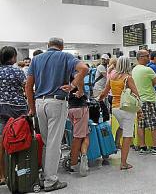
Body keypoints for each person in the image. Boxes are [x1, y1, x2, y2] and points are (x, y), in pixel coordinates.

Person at [25, 37, 88, 192]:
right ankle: (50, 181)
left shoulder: (36, 59)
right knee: (53, 143)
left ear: (48, 46)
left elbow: (28, 86)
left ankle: (45, 175)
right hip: (57, 102)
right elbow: (84, 68)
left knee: (47, 142)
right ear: (62, 46)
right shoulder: (65, 56)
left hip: (40, 103)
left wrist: (32, 108)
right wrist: (73, 85)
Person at [98, 56, 140, 170]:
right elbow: (136, 94)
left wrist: (98, 99)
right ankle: (124, 163)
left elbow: (105, 92)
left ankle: (116, 143)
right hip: (126, 109)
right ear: (128, 65)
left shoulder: (111, 76)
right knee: (127, 135)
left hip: (115, 109)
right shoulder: (128, 78)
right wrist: (139, 108)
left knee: (122, 126)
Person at [0, 46, 29, 185]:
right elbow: (26, 88)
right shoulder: (17, 71)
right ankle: (22, 170)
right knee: (21, 137)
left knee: (1, 141)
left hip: (1, 108)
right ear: (12, 57)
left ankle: (2, 175)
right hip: (18, 109)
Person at [132, 50, 156, 155]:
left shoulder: (135, 69)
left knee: (141, 124)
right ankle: (155, 147)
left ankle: (142, 147)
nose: (149, 57)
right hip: (149, 100)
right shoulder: (147, 70)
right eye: (147, 56)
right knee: (155, 124)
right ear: (142, 57)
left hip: (139, 100)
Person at [67, 75, 90, 176]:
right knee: (80, 137)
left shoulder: (62, 75)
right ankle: (75, 163)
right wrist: (80, 91)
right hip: (80, 108)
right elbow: (80, 80)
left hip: (70, 108)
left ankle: (79, 158)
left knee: (82, 134)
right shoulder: (75, 74)